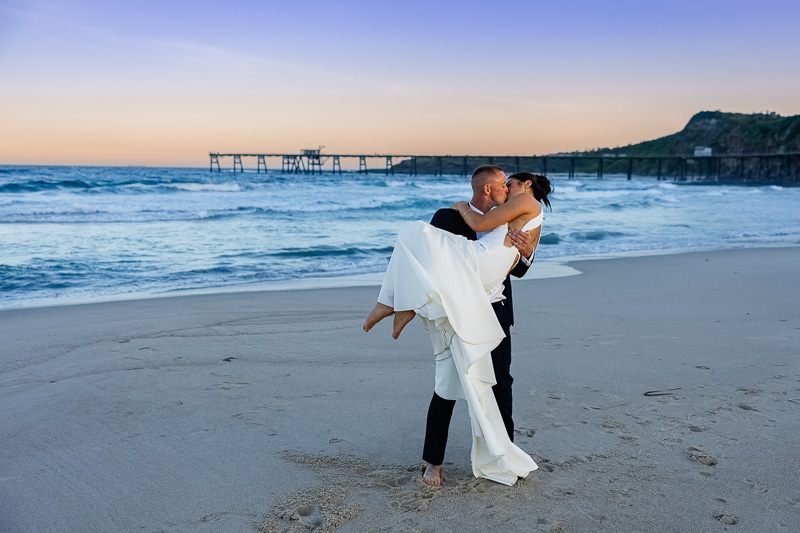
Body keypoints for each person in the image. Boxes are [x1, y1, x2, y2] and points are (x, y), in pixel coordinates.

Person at [363, 166, 552, 486]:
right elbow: (429, 257)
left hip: (495, 310)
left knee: (501, 385)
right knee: (446, 386)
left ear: (524, 186)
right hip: (458, 310)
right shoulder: (448, 218)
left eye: (511, 185)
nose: (507, 190)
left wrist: (527, 251)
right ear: (488, 189)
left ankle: (503, 457)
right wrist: (460, 209)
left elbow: (519, 267)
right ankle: (432, 462)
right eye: (503, 186)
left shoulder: (511, 213)